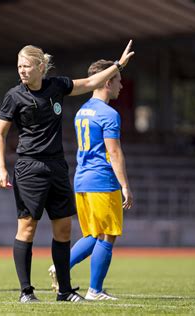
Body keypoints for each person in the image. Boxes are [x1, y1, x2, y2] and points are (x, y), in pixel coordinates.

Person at [0, 41, 134, 302]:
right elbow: (0, 133)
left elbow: (90, 83)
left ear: (40, 66)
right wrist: (1, 167)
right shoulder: (14, 96)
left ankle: (65, 292)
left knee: (64, 230)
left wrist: (117, 65)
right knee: (27, 229)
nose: (21, 71)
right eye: (18, 67)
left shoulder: (57, 86)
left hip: (57, 167)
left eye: (26, 66)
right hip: (29, 168)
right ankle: (26, 291)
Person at [48, 59, 134, 300]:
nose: (121, 86)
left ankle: (59, 267)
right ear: (108, 81)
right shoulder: (109, 114)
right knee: (108, 234)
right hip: (102, 180)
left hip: (82, 180)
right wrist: (125, 185)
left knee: (93, 234)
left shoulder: (82, 110)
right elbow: (114, 152)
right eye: (118, 81)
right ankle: (94, 290)